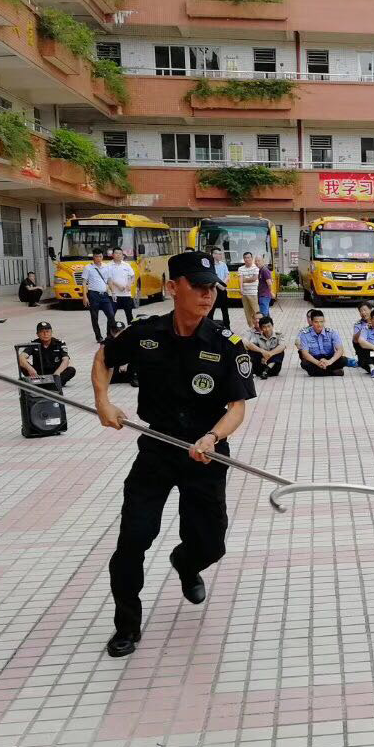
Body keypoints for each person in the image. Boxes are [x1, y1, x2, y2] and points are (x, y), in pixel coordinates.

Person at [93, 250, 255, 658]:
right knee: (133, 540)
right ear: (172, 288)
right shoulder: (145, 333)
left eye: (211, 288)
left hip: (206, 453)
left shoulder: (227, 344)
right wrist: (103, 401)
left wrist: (213, 437)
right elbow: (104, 358)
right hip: (157, 448)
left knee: (211, 544)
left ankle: (186, 563)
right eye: (197, 287)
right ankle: (126, 625)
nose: (207, 295)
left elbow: (237, 407)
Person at [297, 310, 345, 376]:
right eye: (316, 322)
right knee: (304, 364)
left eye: (321, 322)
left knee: (343, 360)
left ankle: (318, 372)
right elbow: (305, 353)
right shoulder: (305, 334)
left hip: (329, 358)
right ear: (311, 322)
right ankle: (333, 372)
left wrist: (329, 362)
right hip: (314, 359)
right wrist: (318, 363)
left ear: (324, 321)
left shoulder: (332, 332)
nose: (319, 324)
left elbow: (340, 350)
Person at [82, 249, 115, 342]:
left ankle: (110, 335)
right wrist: (85, 296)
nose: (98, 258)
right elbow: (84, 283)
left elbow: (109, 280)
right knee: (94, 317)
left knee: (111, 315)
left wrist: (113, 292)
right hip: (93, 295)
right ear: (93, 257)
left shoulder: (106, 267)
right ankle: (98, 336)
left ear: (102, 256)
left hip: (104, 295)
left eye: (100, 256)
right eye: (96, 256)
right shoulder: (88, 268)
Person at [106, 248, 135, 325]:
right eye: (116, 253)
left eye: (120, 253)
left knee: (129, 315)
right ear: (113, 255)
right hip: (113, 295)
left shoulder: (126, 265)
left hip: (126, 295)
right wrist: (118, 285)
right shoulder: (108, 265)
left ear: (122, 255)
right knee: (111, 315)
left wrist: (129, 284)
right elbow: (108, 279)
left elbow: (132, 276)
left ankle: (131, 330)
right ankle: (110, 332)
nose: (118, 255)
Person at [104, 321, 136, 386]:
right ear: (111, 331)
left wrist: (126, 363)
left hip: (127, 368)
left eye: (120, 331)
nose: (118, 333)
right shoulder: (107, 343)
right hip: (114, 370)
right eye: (115, 331)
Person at [237, 251, 260, 333]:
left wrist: (244, 280)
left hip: (253, 293)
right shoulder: (240, 268)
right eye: (245, 258)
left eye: (248, 257)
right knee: (247, 312)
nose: (247, 259)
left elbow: (254, 278)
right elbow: (240, 279)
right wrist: (241, 288)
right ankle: (251, 327)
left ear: (251, 258)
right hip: (244, 293)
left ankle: (259, 327)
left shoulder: (255, 268)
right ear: (243, 259)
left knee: (255, 311)